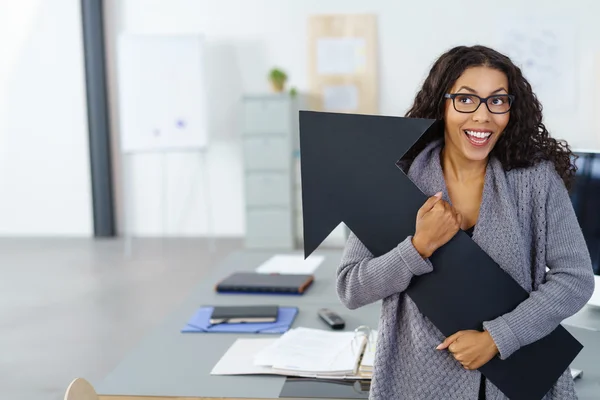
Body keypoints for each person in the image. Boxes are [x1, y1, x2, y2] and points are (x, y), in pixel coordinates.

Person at [336, 45, 596, 400]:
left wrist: (498, 337)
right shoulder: (399, 178)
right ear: (442, 105)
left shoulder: (535, 179)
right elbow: (351, 287)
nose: (483, 116)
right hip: (418, 384)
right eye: (466, 100)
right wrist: (418, 247)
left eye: (498, 101)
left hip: (517, 379)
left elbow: (575, 278)